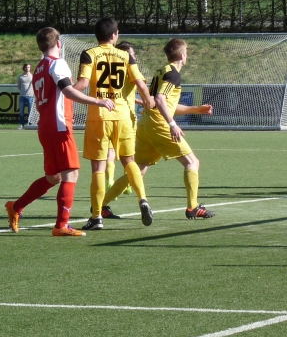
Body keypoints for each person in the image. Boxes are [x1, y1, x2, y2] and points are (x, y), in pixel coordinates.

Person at [5, 27, 115, 237]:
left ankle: (16, 207)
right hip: (59, 126)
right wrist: (98, 101)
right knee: (71, 173)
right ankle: (61, 225)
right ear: (59, 43)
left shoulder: (39, 68)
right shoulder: (57, 63)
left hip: (45, 127)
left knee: (53, 177)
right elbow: (68, 91)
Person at [120, 38, 218, 219]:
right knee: (192, 162)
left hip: (146, 124)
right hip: (159, 125)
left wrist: (197, 109)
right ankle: (192, 207)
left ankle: (102, 204)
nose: (187, 55)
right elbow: (159, 100)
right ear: (181, 55)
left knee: (137, 170)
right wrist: (172, 124)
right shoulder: (173, 74)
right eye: (186, 52)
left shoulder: (162, 71)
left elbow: (165, 104)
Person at [74, 18, 154, 231]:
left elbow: (82, 84)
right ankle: (142, 199)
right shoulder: (126, 55)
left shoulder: (89, 54)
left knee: (98, 168)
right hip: (124, 116)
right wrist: (148, 99)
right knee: (129, 161)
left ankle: (96, 217)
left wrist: (65, 90)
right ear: (114, 35)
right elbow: (139, 83)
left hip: (99, 116)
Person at [99, 41, 144, 201]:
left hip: (108, 114)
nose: (134, 57)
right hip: (126, 117)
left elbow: (124, 94)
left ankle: (110, 180)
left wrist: (139, 101)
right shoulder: (130, 69)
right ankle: (128, 184)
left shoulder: (110, 69)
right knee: (129, 156)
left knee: (110, 152)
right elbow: (141, 86)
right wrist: (148, 100)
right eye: (132, 54)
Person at [17, 64, 34, 129]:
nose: (27, 68)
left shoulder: (32, 76)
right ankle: (21, 124)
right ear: (24, 68)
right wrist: (22, 91)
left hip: (30, 96)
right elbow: (19, 86)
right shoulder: (20, 77)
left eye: (28, 67)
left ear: (30, 68)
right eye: (26, 67)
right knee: (21, 111)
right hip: (22, 96)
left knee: (30, 111)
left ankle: (30, 124)